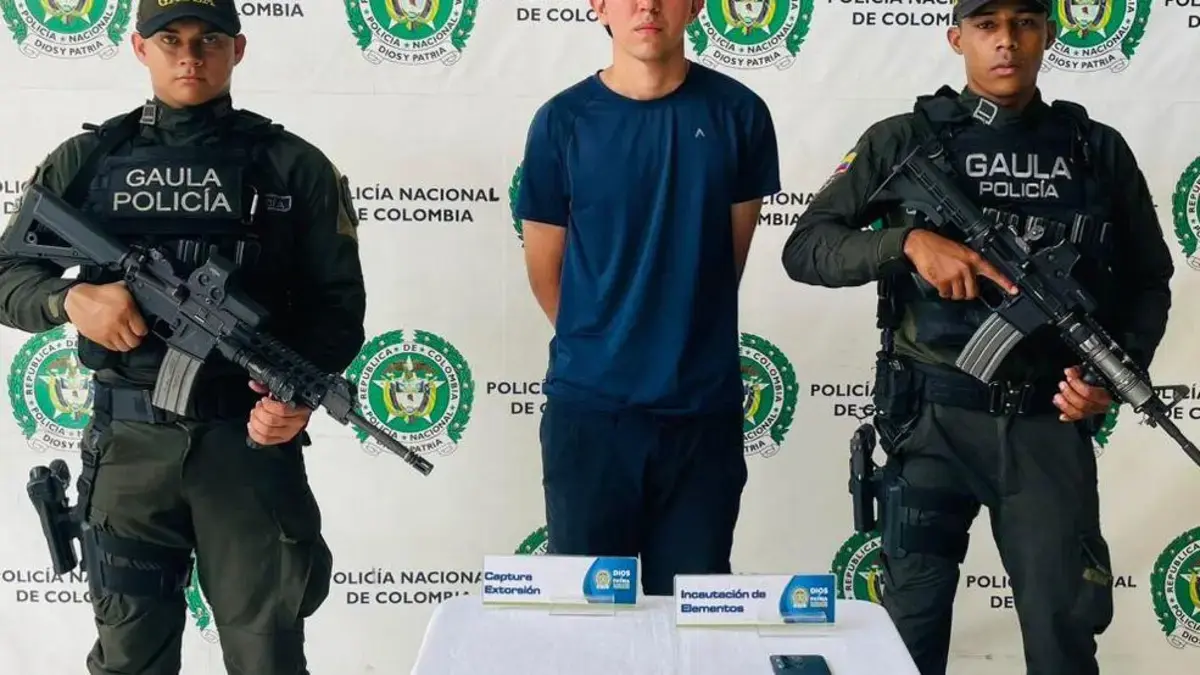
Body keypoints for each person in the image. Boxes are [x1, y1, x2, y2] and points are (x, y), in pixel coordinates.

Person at [781, 0, 1173, 673]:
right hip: (930, 424)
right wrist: (908, 243)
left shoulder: (1094, 148)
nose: (1006, 42)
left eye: (1024, 23)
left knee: (1062, 640)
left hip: (1048, 424)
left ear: (1049, 34)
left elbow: (1149, 279)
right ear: (956, 37)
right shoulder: (903, 140)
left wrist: (1113, 373)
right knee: (907, 640)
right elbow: (807, 248)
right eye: (987, 25)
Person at [0, 1, 367, 673]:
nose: (190, 57)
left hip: (249, 448)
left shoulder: (293, 166)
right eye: (170, 40)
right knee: (131, 657)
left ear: (238, 49)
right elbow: (8, 274)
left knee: (266, 657)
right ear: (141, 49)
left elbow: (338, 308)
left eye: (209, 40)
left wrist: (295, 396)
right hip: (129, 450)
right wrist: (70, 298)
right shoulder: (88, 159)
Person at [514, 0, 781, 596]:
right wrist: (608, 346)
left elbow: (726, 261)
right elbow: (545, 272)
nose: (647, 6)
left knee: (691, 617)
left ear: (696, 6)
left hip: (701, 417)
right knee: (590, 620)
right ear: (598, 7)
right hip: (590, 417)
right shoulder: (562, 121)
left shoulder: (739, 113)